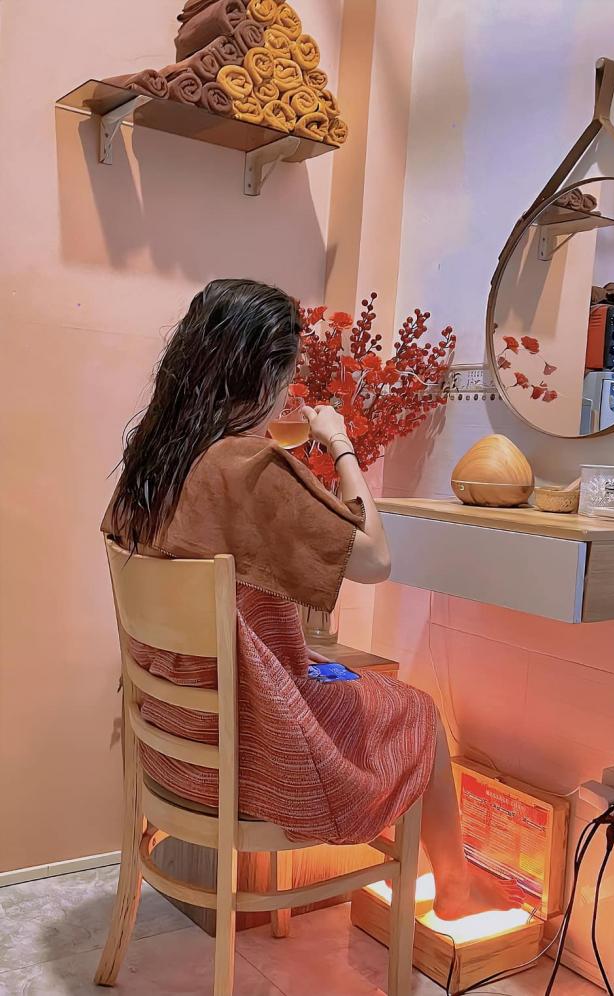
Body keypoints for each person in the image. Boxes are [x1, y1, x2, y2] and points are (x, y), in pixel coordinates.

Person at [103, 278, 519, 920]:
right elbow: (376, 560)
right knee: (418, 710)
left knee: (342, 680)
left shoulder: (153, 463)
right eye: (288, 374)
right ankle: (455, 888)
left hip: (171, 747)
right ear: (264, 374)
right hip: (253, 756)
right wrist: (340, 441)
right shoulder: (247, 467)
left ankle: (452, 885)